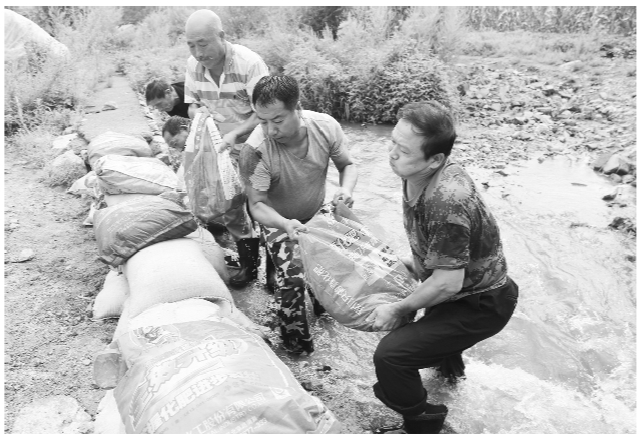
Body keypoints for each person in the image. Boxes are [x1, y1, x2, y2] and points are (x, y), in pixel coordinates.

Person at [368, 101, 519, 434]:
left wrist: (398, 308)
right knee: (438, 355)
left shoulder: (446, 198)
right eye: (392, 141)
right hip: (459, 292)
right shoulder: (416, 170)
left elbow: (448, 283)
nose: (392, 153)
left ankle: (423, 422)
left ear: (435, 159)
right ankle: (454, 388)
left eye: (403, 150)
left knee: (391, 356)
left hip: (480, 302)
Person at [239, 75, 358, 354]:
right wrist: (284, 223)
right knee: (293, 276)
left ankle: (321, 313)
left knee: (326, 273)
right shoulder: (254, 151)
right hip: (277, 218)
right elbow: (257, 206)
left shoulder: (326, 127)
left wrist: (345, 189)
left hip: (316, 214)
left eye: (277, 121)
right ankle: (297, 350)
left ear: (298, 109)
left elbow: (348, 165)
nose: (269, 130)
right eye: (262, 120)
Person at [182, 9, 270, 286]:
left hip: (257, 146)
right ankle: (250, 267)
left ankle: (276, 268)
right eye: (191, 45)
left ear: (222, 36)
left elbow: (266, 112)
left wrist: (237, 135)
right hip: (220, 150)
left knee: (263, 205)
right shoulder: (193, 66)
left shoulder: (249, 63)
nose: (198, 52)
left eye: (203, 43)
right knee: (231, 205)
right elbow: (192, 104)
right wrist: (199, 115)